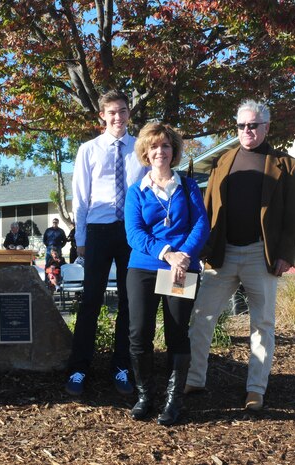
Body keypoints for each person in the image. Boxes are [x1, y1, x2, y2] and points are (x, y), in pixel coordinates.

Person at [186, 100, 295, 411]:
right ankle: (194, 378)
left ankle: (256, 389)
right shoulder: (223, 161)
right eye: (241, 125)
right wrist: (203, 247)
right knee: (201, 318)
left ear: (266, 126)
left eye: (253, 125)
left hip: (260, 254)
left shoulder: (287, 166)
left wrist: (285, 255)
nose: (246, 131)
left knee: (262, 324)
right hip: (222, 254)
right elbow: (209, 207)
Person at [125, 123, 209, 425]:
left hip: (181, 270)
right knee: (139, 333)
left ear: (173, 151)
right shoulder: (137, 192)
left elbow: (201, 225)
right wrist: (167, 253)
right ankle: (145, 396)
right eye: (154, 147)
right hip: (145, 268)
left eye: (166, 146)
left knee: (177, 333)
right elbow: (134, 233)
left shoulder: (188, 187)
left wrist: (183, 256)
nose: (160, 151)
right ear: (146, 152)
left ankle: (173, 401)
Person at [66, 90, 148, 396]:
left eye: (123, 111)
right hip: (99, 231)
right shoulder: (89, 150)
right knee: (91, 301)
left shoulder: (141, 149)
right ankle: (78, 368)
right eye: (112, 112)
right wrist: (82, 241)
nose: (118, 117)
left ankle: (122, 367)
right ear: (102, 115)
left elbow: (149, 192)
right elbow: (81, 197)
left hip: (132, 232)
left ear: (129, 113)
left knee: (130, 302)